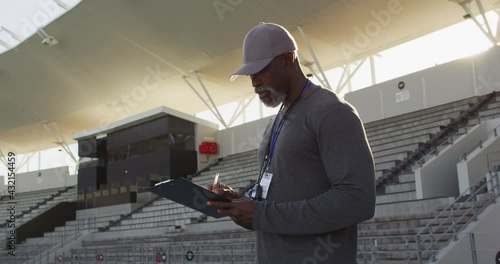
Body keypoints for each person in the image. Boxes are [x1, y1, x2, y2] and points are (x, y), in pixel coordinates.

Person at [207, 22, 376, 264]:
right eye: (250, 75)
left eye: (261, 71)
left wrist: (261, 213)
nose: (254, 83)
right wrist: (238, 203)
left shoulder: (332, 112)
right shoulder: (277, 120)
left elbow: (357, 201)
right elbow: (274, 203)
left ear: (288, 58)